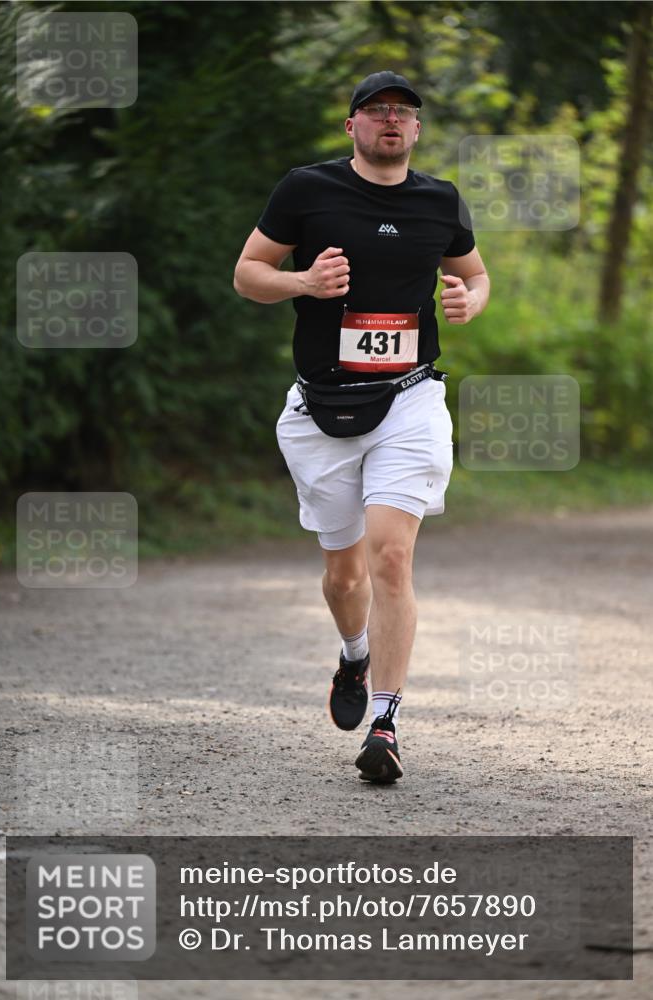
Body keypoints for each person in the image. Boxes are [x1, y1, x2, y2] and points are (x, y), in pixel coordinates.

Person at [233, 70, 489, 784]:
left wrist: (471, 297)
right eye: (375, 111)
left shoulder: (439, 200)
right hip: (320, 408)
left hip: (409, 400)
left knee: (390, 559)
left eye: (403, 113)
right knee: (343, 574)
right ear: (352, 126)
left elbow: (475, 272)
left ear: (415, 129)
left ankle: (386, 720)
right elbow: (248, 272)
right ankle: (352, 654)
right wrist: (302, 283)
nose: (390, 121)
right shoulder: (305, 190)